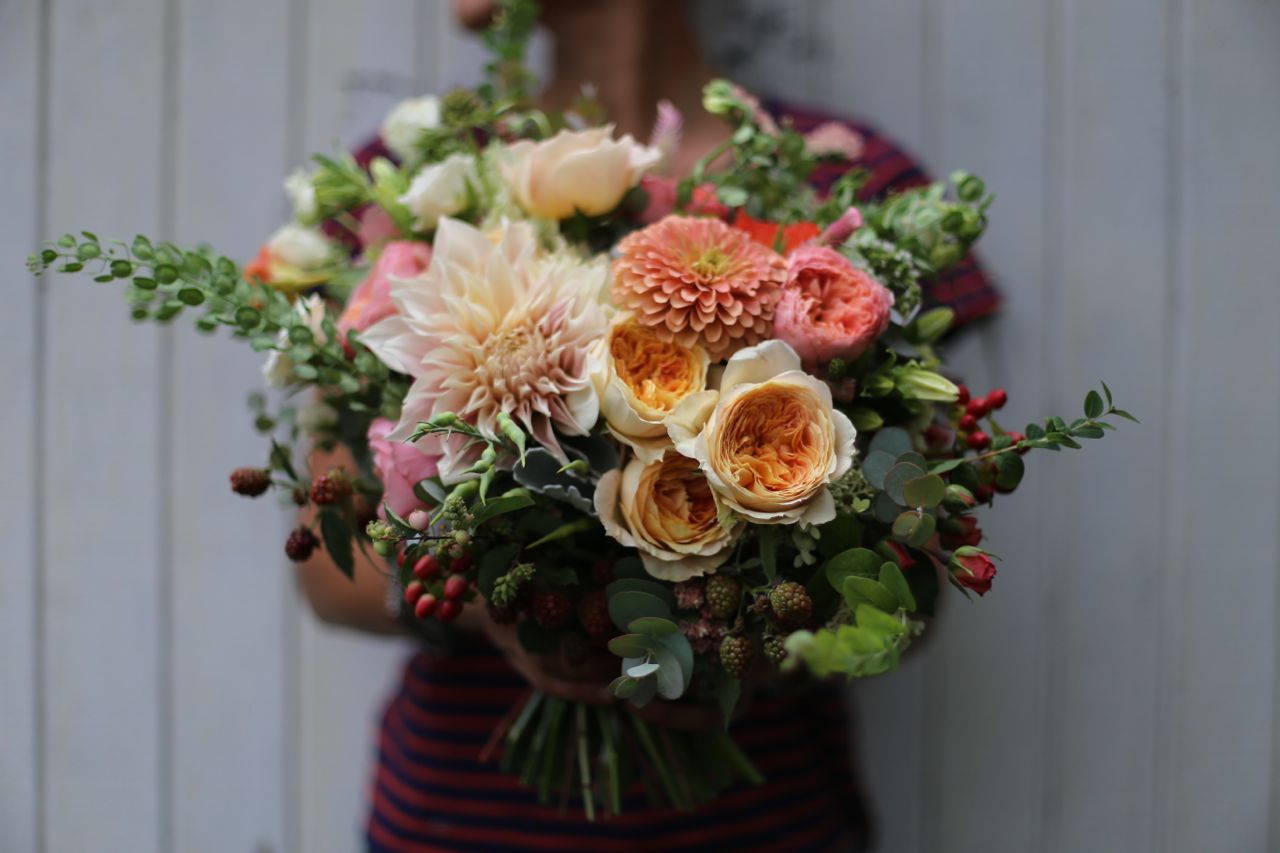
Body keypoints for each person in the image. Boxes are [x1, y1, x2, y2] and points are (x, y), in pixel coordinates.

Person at [297, 1, 1000, 850]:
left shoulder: (857, 184)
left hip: (761, 823)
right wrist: (508, 610)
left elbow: (915, 587)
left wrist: (725, 645)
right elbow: (327, 565)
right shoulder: (408, 183)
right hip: (465, 818)